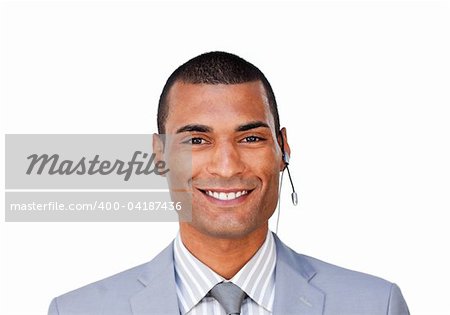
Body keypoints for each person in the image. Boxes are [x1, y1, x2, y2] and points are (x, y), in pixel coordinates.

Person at [48, 51, 410, 315]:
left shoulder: (376, 305)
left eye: (250, 139)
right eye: (196, 140)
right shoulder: (77, 310)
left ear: (282, 149)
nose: (226, 168)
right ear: (159, 155)